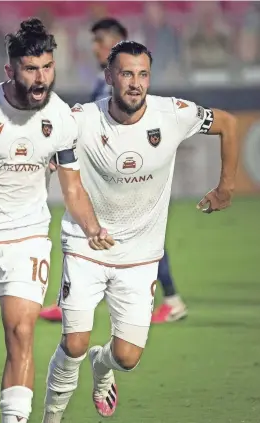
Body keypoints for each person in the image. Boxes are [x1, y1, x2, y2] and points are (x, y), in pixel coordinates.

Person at [41, 40, 238, 422]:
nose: (135, 83)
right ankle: (51, 417)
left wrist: (225, 187)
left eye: (143, 74)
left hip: (141, 255)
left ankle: (103, 367)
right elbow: (46, 145)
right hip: (86, 246)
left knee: (127, 358)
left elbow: (227, 124)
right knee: (74, 342)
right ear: (109, 76)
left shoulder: (173, 114)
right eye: (127, 73)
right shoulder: (81, 118)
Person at [0, 18, 114, 423]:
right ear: (10, 70)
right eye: (31, 69)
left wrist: (92, 227)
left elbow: (71, 188)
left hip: (28, 234)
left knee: (21, 332)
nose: (41, 78)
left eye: (48, 67)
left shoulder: (61, 119)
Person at [40, 18, 187, 324]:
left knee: (126, 234)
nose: (93, 48)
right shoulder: (105, 79)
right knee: (93, 229)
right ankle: (76, 299)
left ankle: (170, 300)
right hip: (108, 174)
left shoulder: (126, 82)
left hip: (127, 173)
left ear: (112, 43)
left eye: (98, 42)